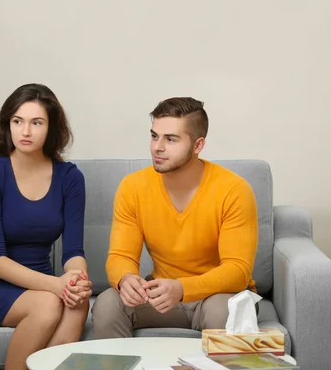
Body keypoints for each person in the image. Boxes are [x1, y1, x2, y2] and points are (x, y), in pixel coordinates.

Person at [0, 83, 92, 370]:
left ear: (52, 127)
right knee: (48, 304)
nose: (25, 131)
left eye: (36, 122)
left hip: (40, 287)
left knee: (78, 303)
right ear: (8, 125)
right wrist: (56, 286)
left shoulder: (70, 178)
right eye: (17, 121)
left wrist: (77, 281)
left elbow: (73, 252)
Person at [91, 97, 258, 339]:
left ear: (198, 145)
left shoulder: (233, 190)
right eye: (154, 136)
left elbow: (237, 270)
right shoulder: (133, 187)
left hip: (218, 296)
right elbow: (120, 256)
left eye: (170, 139)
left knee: (221, 310)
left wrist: (182, 289)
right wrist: (125, 279)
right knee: (108, 303)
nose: (157, 147)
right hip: (160, 296)